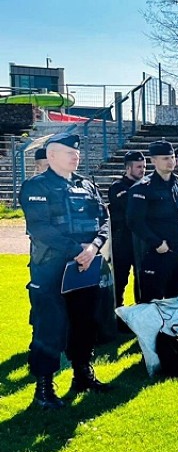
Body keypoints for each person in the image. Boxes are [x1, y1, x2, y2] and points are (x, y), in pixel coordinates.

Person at [20, 132, 113, 409]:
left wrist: (94, 247)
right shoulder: (36, 186)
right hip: (51, 269)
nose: (76, 155)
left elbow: (104, 220)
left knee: (85, 323)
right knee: (50, 327)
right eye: (69, 152)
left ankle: (82, 374)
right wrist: (78, 251)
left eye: (77, 152)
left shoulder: (86, 185)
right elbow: (40, 229)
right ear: (51, 156)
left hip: (84, 268)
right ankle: (44, 389)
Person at [127, 139, 178, 303]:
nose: (171, 161)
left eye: (172, 157)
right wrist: (157, 243)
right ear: (153, 160)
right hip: (156, 253)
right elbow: (134, 221)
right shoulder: (143, 187)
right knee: (153, 302)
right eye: (165, 158)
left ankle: (177, 329)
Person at [107, 150, 146, 306]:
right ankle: (116, 314)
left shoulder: (146, 186)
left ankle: (142, 313)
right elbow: (131, 207)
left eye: (144, 167)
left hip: (142, 240)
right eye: (138, 167)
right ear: (128, 168)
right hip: (122, 240)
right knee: (119, 280)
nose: (142, 170)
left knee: (143, 280)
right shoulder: (117, 187)